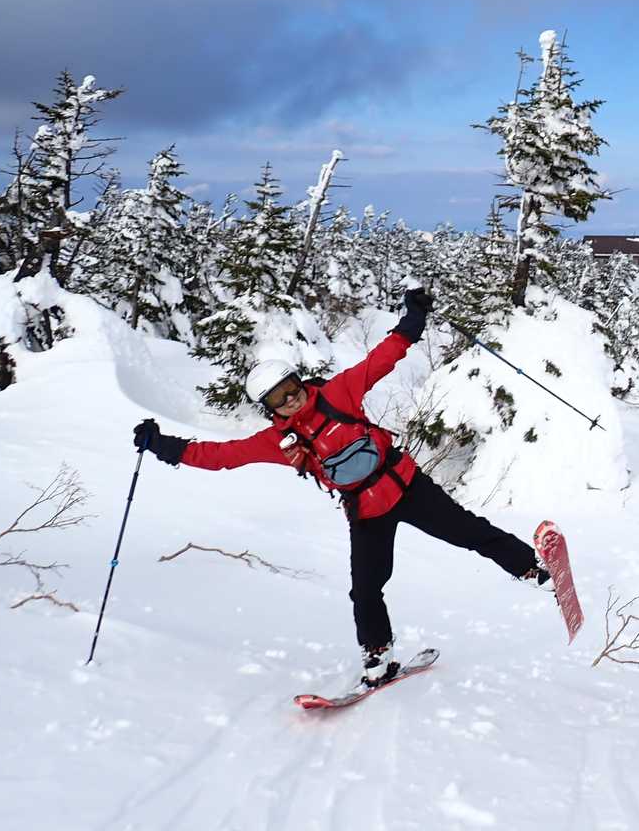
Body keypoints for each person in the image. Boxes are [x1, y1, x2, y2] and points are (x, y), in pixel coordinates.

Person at [132, 288, 550, 689]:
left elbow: (382, 359)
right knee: (365, 589)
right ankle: (378, 656)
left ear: (299, 382)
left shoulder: (338, 394)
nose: (290, 400)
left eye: (291, 389)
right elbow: (222, 455)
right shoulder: (278, 442)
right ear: (269, 409)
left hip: (406, 485)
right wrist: (163, 445)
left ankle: (531, 568)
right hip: (366, 512)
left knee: (471, 532)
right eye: (278, 400)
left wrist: (414, 318)